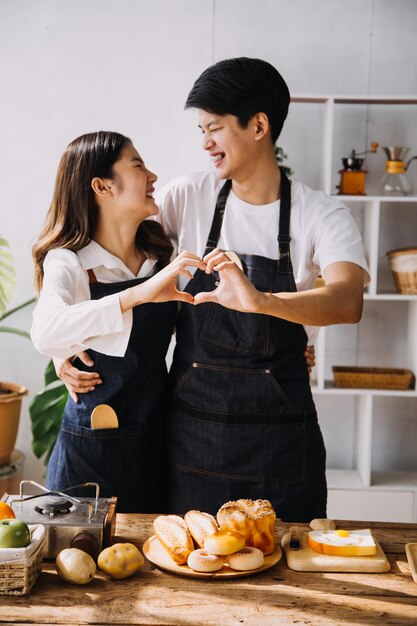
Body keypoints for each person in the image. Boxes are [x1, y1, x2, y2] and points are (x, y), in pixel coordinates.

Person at [55, 57, 370, 522]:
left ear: (259, 125)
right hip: (192, 438)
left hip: (280, 442)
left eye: (215, 128)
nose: (205, 143)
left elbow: (347, 300)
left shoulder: (320, 214)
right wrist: (63, 341)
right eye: (201, 129)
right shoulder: (187, 198)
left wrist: (262, 302)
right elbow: (98, 256)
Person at [31, 131, 204, 513]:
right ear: (102, 186)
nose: (153, 176)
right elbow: (46, 331)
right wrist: (136, 295)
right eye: (138, 165)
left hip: (157, 441)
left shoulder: (161, 256)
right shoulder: (70, 261)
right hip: (90, 450)